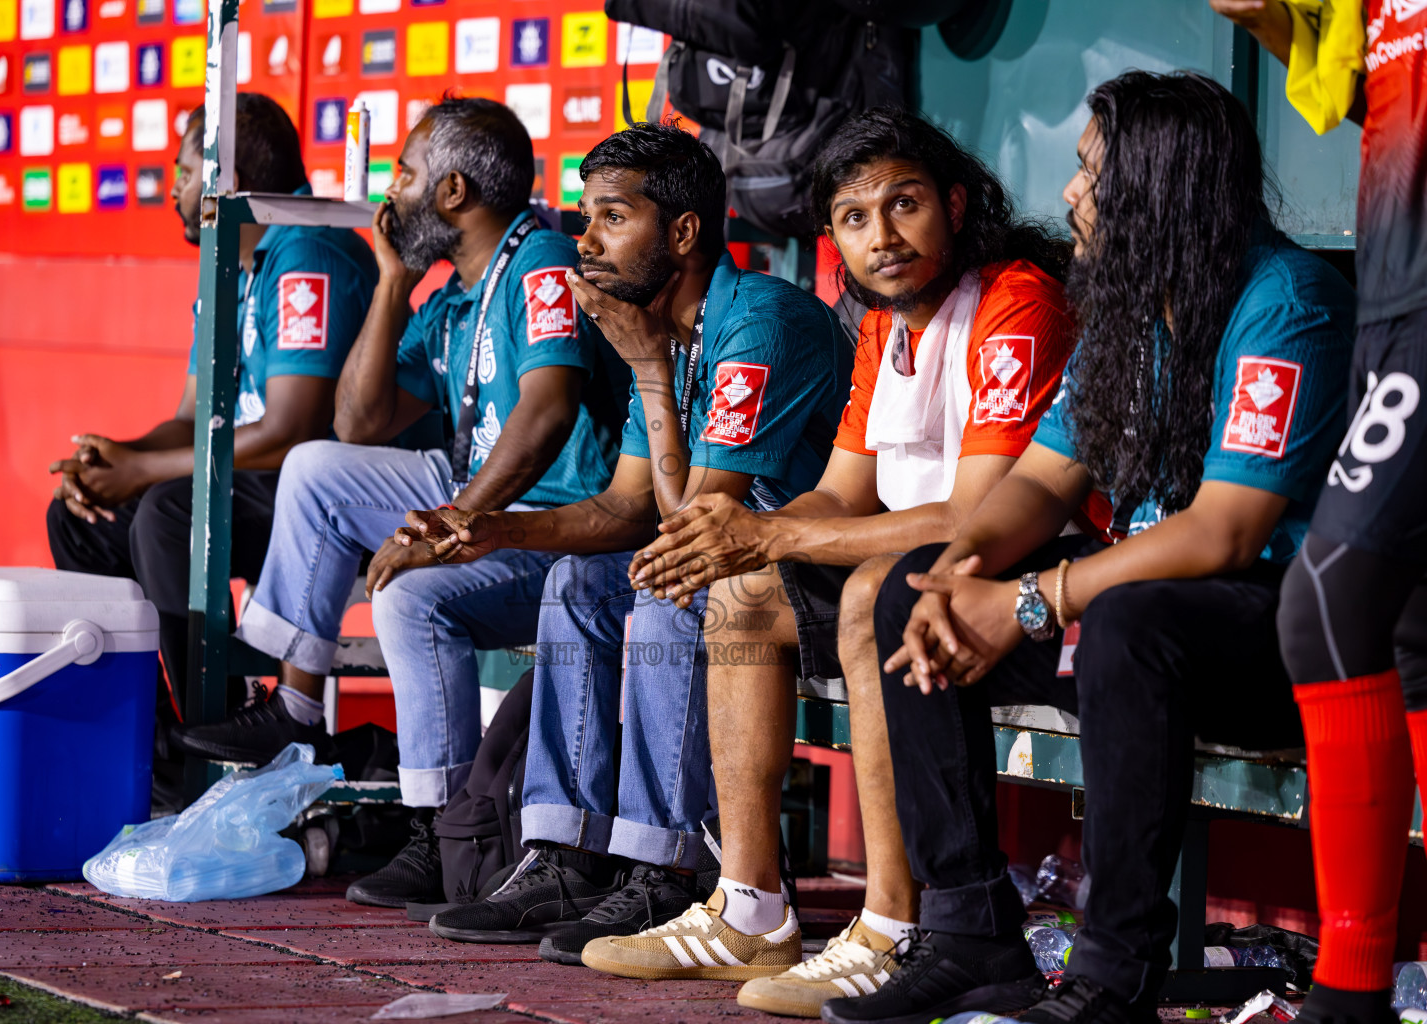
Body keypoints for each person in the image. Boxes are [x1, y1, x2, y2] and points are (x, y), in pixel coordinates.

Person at [834, 71, 1355, 1024]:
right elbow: (1039, 481)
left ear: (1163, 188)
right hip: (1136, 631)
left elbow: (1227, 529)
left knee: (1128, 619)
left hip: (1275, 630)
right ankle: (969, 936)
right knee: (910, 595)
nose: (1070, 195)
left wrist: (1033, 601)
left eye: (1090, 174)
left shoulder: (1289, 299)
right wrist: (961, 575)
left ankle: (1114, 977)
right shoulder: (1129, 307)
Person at [597, 108, 1090, 1013]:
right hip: (915, 576)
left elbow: (980, 512)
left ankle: (893, 929)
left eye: (904, 205)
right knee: (742, 590)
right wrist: (735, 533)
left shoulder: (1017, 297)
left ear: (956, 203)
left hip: (1034, 587)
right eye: (855, 219)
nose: (883, 237)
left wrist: (775, 532)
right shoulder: (881, 325)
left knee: (868, 591)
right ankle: (749, 908)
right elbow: (840, 494)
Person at [403, 122, 851, 956]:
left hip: (818, 575)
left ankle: (668, 867)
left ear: (682, 232)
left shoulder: (760, 322)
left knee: (667, 592)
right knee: (579, 581)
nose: (586, 238)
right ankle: (565, 854)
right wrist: (493, 528)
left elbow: (691, 530)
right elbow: (624, 508)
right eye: (585, 215)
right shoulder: (661, 327)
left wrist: (647, 373)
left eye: (612, 216)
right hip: (739, 571)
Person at [171, 96, 625, 910]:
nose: (392, 191)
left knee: (412, 597)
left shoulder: (543, 260)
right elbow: (357, 421)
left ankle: (437, 829)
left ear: (454, 192)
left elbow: (550, 407)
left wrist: (455, 526)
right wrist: (391, 283)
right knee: (317, 465)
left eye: (406, 174)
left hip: (559, 522)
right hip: (473, 493)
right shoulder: (453, 291)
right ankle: (298, 703)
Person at [1211, 5, 1427, 1024]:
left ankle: (1351, 993)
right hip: (1393, 287)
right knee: (1414, 629)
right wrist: (1270, 21)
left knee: (1328, 600)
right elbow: (1353, 90)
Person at [46, 91, 384, 733]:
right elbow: (195, 413)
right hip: (256, 479)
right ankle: (149, 750)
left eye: (184, 169)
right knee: (82, 518)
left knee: (167, 513)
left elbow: (291, 435)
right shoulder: (230, 260)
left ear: (230, 178)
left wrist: (144, 473)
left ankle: (219, 733)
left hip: (324, 502)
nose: (173, 185)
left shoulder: (308, 249)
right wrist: (115, 459)